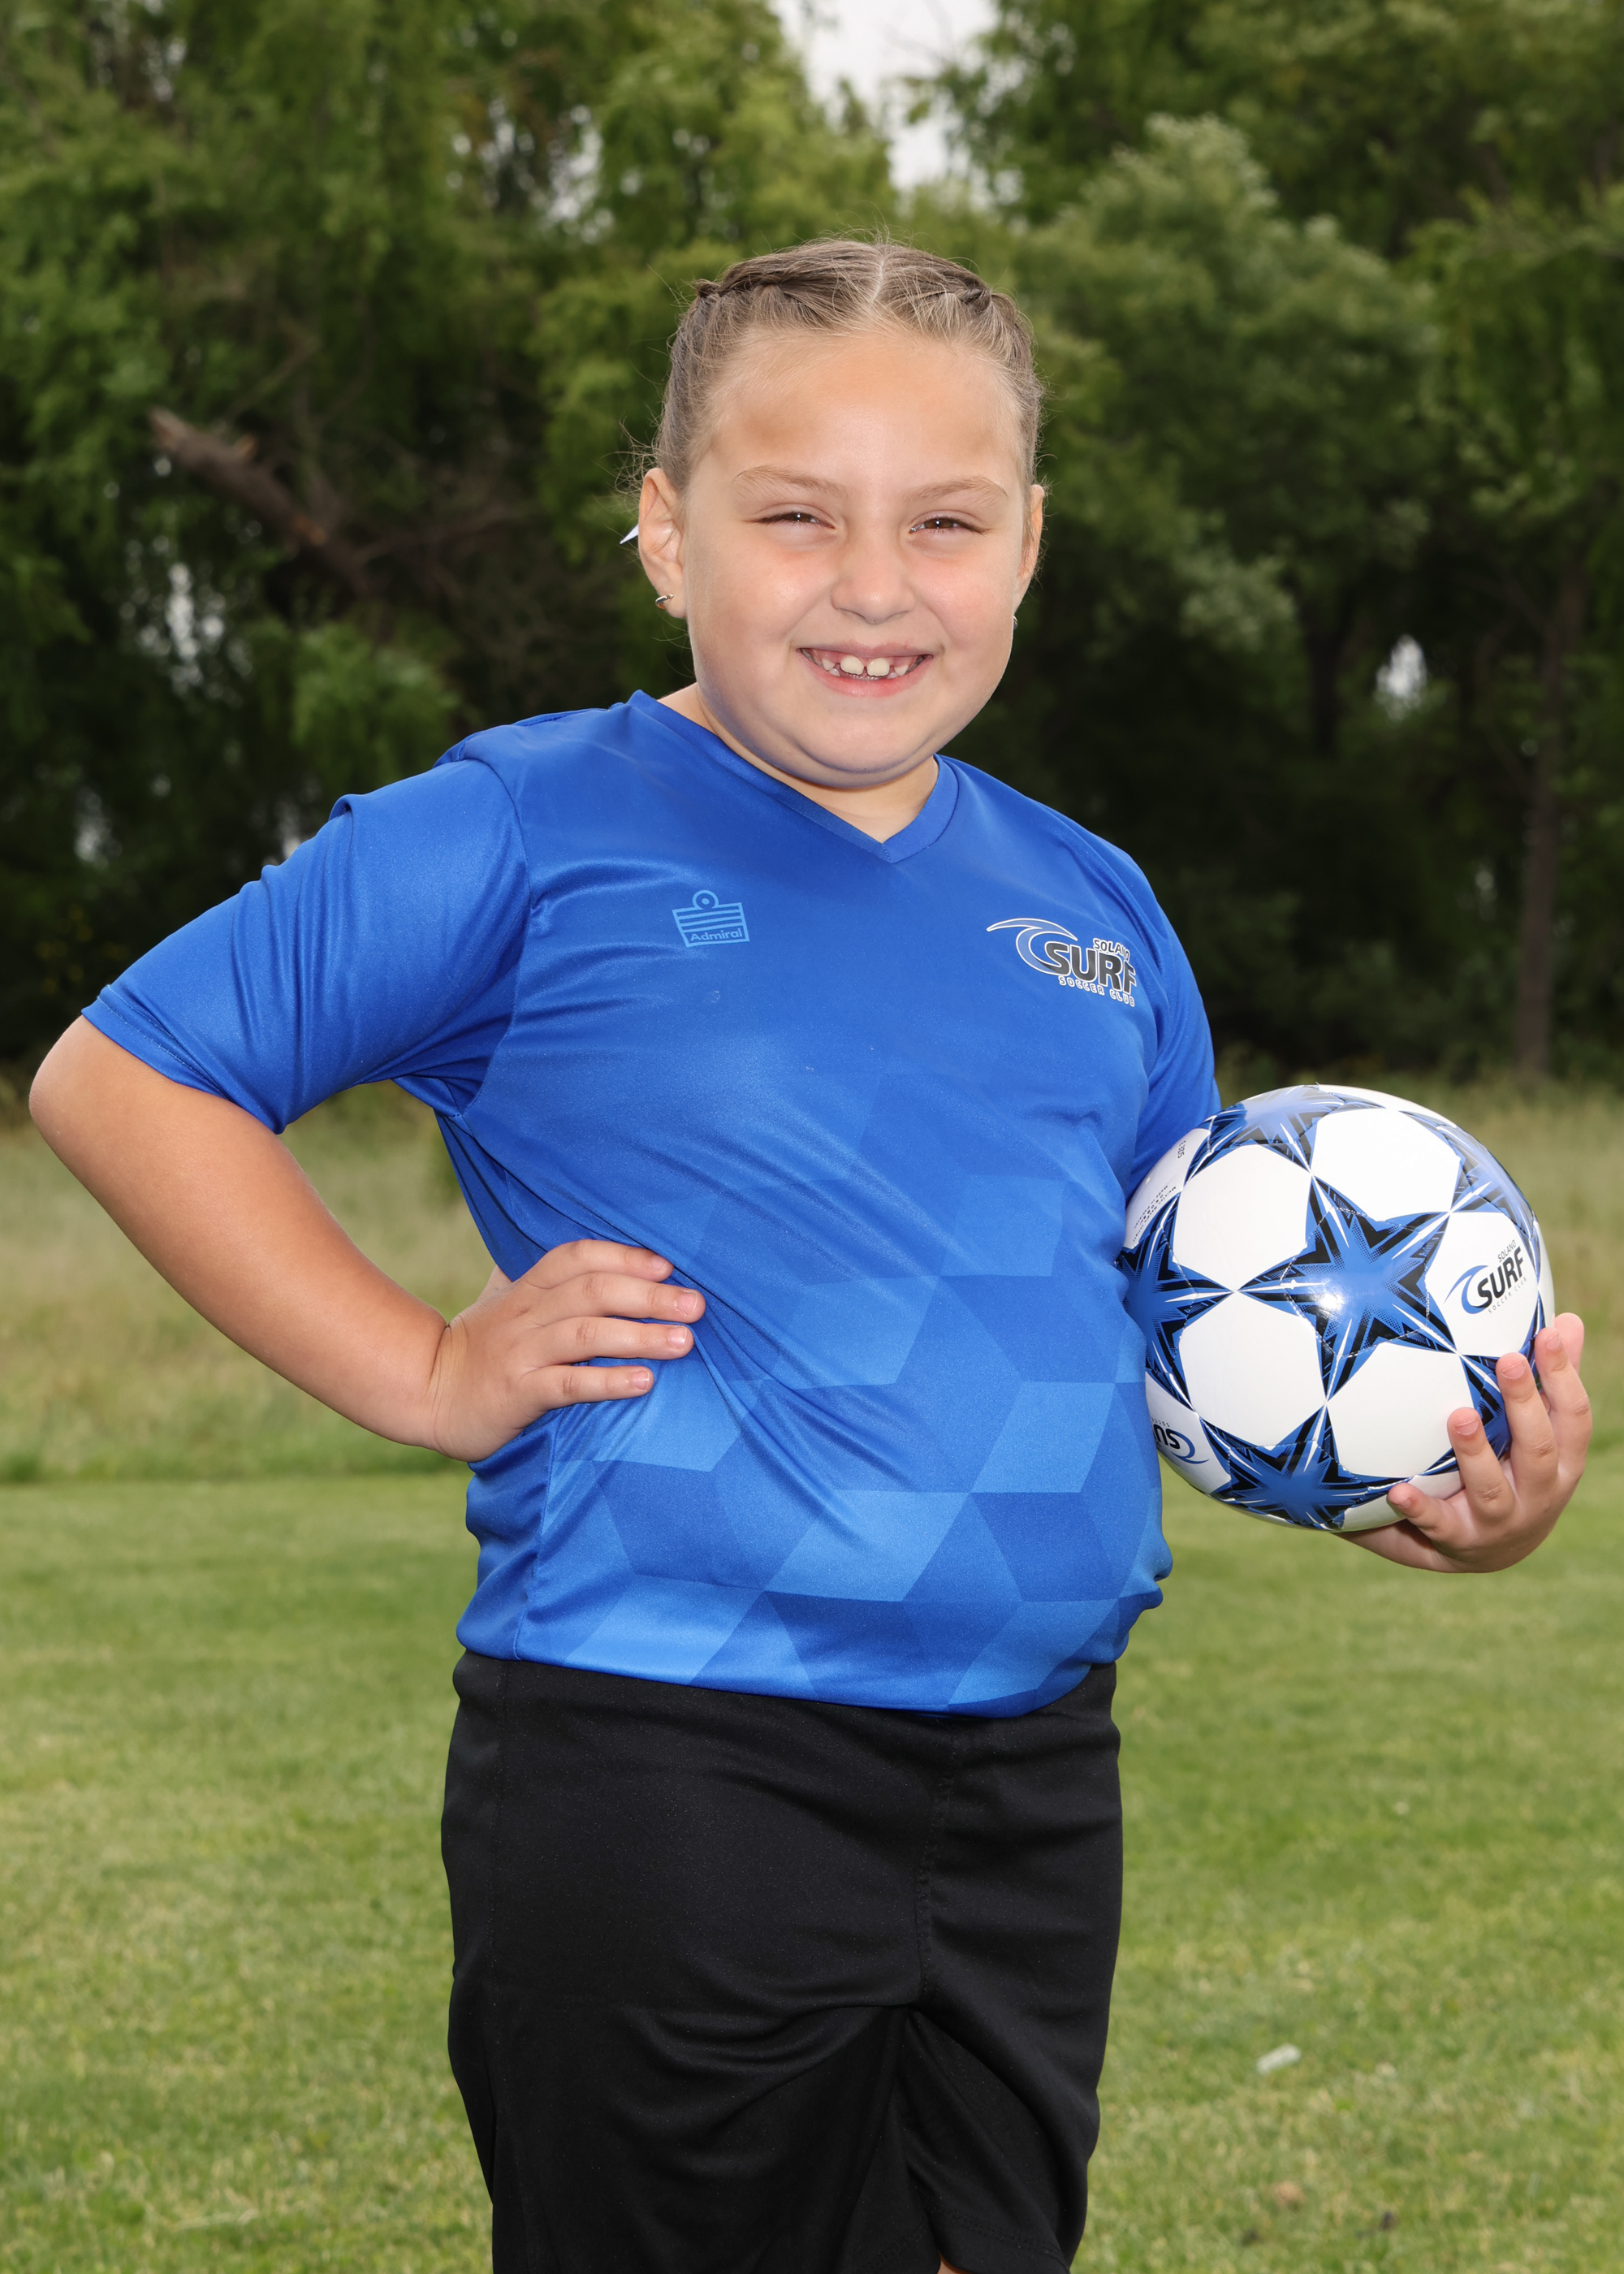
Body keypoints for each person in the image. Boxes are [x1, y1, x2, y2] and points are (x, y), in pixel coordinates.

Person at [30, 239, 1592, 2274]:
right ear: (665, 530)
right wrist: (423, 1366)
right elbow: (126, 1075)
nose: (875, 584)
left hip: (1034, 1774)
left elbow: (1181, 1317)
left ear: (1027, 544)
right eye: (793, 516)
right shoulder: (524, 827)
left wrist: (1427, 1489)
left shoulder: (1092, 905)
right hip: (671, 1757)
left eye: (945, 521)